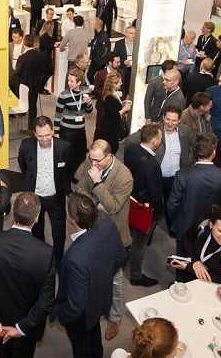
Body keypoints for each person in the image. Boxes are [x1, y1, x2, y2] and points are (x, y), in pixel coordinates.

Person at [0, 192, 55, 358]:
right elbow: (46, 301)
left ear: (14, 212)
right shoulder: (45, 253)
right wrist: (21, 328)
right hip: (27, 326)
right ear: (37, 218)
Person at [52, 193, 127, 358]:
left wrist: (62, 317)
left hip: (81, 315)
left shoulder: (74, 258)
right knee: (94, 334)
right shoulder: (108, 225)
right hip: (99, 300)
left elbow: (76, 305)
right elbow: (121, 256)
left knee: (81, 347)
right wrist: (102, 277)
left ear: (72, 219)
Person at [74, 140, 133, 341]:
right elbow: (79, 188)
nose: (93, 164)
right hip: (91, 230)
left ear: (109, 156)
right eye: (91, 159)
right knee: (91, 274)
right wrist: (98, 203)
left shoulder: (124, 176)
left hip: (113, 236)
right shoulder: (91, 160)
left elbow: (114, 207)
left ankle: (115, 318)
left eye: (97, 161)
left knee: (115, 279)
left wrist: (98, 184)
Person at [168, 133, 221, 242]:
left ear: (195, 151)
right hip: (213, 229)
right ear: (214, 152)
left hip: (185, 228)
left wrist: (178, 220)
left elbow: (172, 204)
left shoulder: (182, 175)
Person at [18, 116, 71, 267]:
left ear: (53, 130)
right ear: (34, 133)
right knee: (36, 232)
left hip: (56, 198)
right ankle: (41, 261)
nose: (44, 139)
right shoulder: (26, 146)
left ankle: (58, 262)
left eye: (48, 135)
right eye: (40, 136)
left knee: (59, 234)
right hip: (35, 198)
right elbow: (24, 167)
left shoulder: (64, 146)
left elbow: (67, 171)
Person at [123, 123, 163, 287]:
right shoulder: (152, 165)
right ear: (154, 141)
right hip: (144, 209)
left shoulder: (131, 148)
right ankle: (136, 276)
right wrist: (158, 212)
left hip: (128, 200)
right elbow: (155, 194)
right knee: (139, 244)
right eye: (160, 138)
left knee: (127, 231)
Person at [171, 205, 221, 285]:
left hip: (211, 283)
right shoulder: (202, 224)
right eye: (220, 231)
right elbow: (187, 239)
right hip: (190, 270)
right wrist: (195, 261)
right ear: (211, 225)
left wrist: (190, 268)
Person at [54, 68, 93, 178]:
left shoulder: (85, 92)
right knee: (68, 156)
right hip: (67, 131)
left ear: (79, 82)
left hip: (81, 130)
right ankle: (66, 179)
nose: (69, 83)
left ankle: (73, 175)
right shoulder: (63, 95)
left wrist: (89, 103)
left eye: (72, 81)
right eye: (68, 80)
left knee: (80, 156)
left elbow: (89, 111)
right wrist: (56, 133)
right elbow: (57, 115)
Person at [14, 35, 47, 133]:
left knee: (24, 104)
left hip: (24, 85)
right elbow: (45, 70)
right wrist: (41, 82)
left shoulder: (23, 57)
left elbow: (17, 72)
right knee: (33, 106)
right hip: (36, 85)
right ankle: (32, 127)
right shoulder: (41, 55)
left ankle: (29, 128)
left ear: (24, 44)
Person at [99, 72, 131, 155]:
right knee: (111, 148)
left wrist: (121, 104)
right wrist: (124, 109)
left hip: (111, 125)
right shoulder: (109, 97)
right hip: (110, 127)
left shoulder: (112, 94)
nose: (122, 83)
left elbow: (112, 107)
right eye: (120, 82)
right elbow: (114, 115)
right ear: (114, 84)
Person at [37, 17, 56, 94]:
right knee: (48, 72)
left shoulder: (43, 35)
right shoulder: (46, 36)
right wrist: (53, 46)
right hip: (46, 57)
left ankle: (41, 87)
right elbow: (47, 47)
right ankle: (40, 88)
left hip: (43, 56)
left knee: (45, 72)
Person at [88, 19, 111, 85]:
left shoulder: (103, 37)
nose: (93, 25)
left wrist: (98, 60)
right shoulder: (97, 35)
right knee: (90, 75)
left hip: (99, 62)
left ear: (97, 25)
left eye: (94, 24)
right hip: (95, 60)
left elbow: (104, 51)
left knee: (96, 76)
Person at [8, 29, 25, 97]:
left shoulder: (25, 46)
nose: (13, 38)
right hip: (11, 72)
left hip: (21, 73)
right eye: (13, 37)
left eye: (15, 37)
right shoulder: (9, 45)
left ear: (21, 38)